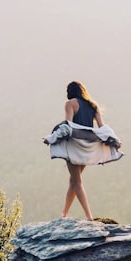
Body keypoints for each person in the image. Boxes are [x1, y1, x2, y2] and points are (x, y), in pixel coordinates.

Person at [43, 80, 109, 220]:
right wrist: (113, 141)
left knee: (77, 182)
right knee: (73, 180)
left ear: (70, 92)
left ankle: (88, 216)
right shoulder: (93, 106)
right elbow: (102, 127)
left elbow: (67, 126)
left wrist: (50, 138)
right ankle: (64, 213)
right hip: (87, 147)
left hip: (74, 146)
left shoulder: (70, 104)